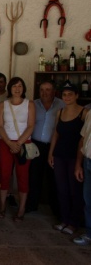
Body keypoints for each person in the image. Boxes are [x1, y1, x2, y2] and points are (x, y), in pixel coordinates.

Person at [48, 82, 87, 235]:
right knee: (62, 189)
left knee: (75, 190)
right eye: (64, 94)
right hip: (59, 155)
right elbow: (56, 134)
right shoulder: (60, 112)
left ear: (77, 95)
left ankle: (74, 222)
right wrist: (51, 153)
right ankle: (64, 219)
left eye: (70, 94)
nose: (67, 97)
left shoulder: (84, 113)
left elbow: (83, 138)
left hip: (74, 156)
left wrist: (79, 161)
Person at [0, 77, 35, 222]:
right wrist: (9, 142)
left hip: (23, 143)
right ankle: (2, 205)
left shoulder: (29, 104)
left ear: (23, 88)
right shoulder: (3, 105)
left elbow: (31, 126)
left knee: (22, 176)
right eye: (14, 86)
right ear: (10, 88)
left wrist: (18, 143)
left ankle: (21, 208)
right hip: (5, 143)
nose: (17, 89)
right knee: (4, 174)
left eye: (20, 86)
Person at [27, 80, 64, 215]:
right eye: (42, 90)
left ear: (54, 91)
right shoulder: (33, 104)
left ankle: (56, 210)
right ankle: (31, 205)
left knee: (54, 178)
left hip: (54, 147)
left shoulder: (62, 104)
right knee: (34, 177)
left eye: (48, 90)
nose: (45, 93)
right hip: (36, 145)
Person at [74, 110, 91, 245]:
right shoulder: (90, 113)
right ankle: (89, 234)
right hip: (87, 161)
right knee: (88, 200)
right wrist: (79, 164)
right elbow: (83, 138)